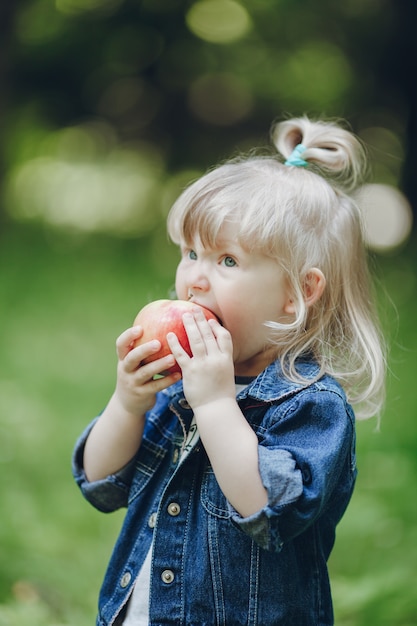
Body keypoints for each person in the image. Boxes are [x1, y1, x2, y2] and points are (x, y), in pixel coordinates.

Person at [72, 116, 386, 626]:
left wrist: (216, 405)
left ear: (297, 294)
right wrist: (128, 402)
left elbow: (267, 510)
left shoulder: (310, 405)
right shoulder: (181, 379)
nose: (194, 278)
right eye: (191, 252)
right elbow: (101, 481)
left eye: (227, 261)